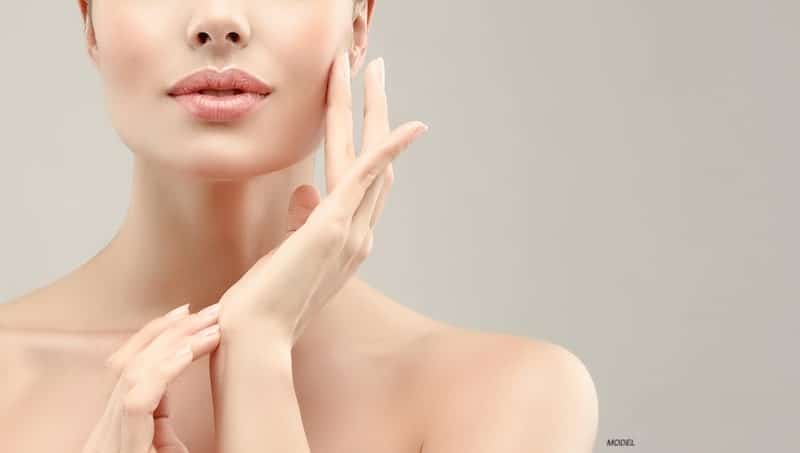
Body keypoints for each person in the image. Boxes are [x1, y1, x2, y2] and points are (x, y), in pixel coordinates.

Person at [0, 0, 599, 452]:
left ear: (358, 22)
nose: (218, 20)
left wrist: (257, 352)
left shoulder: (510, 395)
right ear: (90, 22)